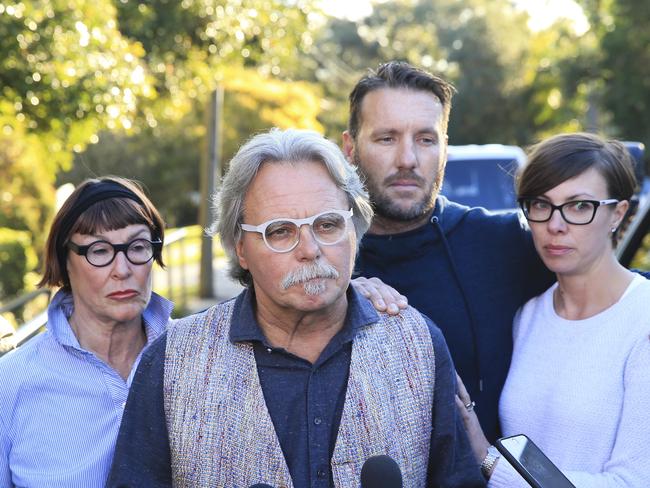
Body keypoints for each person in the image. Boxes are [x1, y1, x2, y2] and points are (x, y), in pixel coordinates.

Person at [107, 128, 484, 487]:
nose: (310, 249)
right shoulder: (173, 362)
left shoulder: (417, 345)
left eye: (328, 224)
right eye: (281, 231)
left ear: (354, 229)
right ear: (240, 247)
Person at [343, 61, 554, 442]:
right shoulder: (317, 255)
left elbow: (610, 292)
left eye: (426, 139)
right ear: (350, 148)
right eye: (387, 138)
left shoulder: (503, 242)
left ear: (444, 150)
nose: (407, 159)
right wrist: (335, 297)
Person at [456, 132, 650, 486]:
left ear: (617, 214)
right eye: (541, 204)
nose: (555, 225)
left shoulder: (642, 320)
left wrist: (488, 461)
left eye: (579, 206)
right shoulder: (526, 316)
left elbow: (634, 481)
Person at [0, 176, 173, 487]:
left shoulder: (198, 360)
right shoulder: (11, 383)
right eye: (99, 250)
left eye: (137, 246)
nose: (122, 269)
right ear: (65, 260)